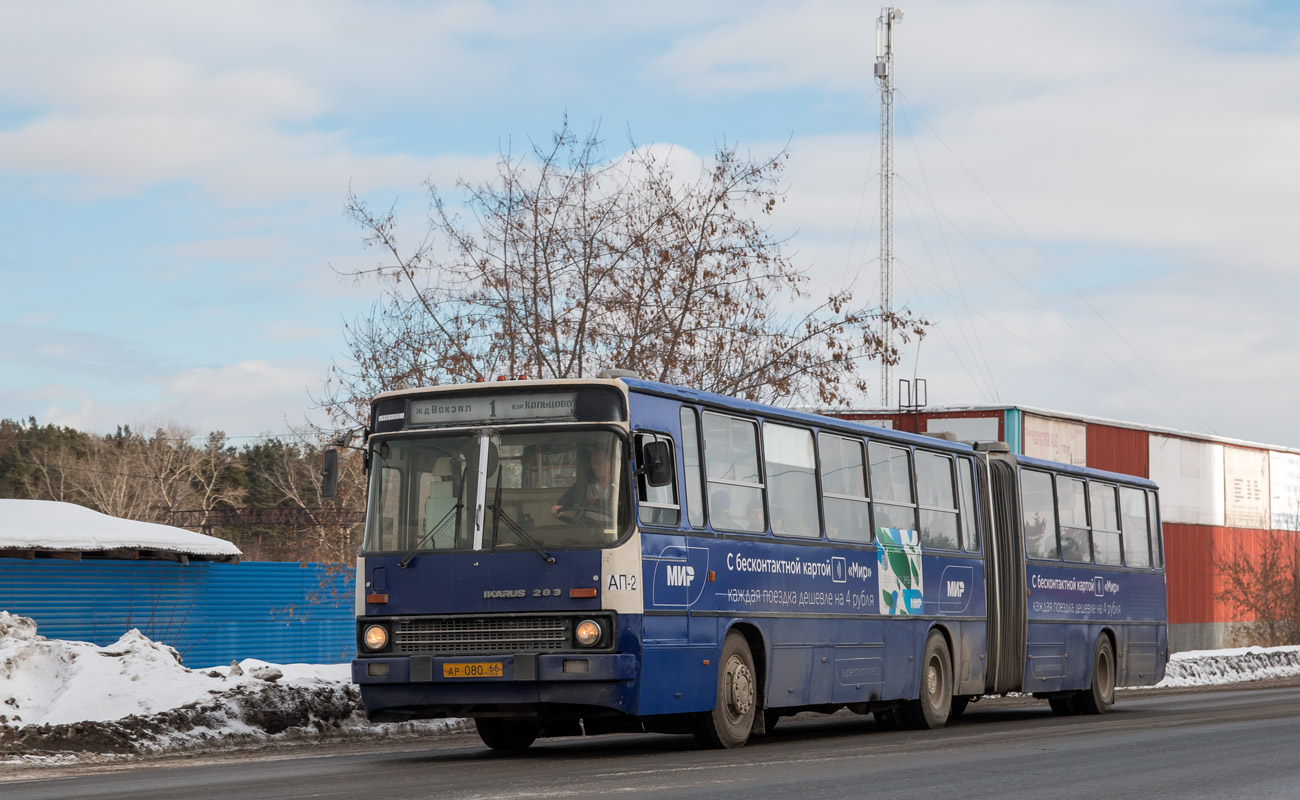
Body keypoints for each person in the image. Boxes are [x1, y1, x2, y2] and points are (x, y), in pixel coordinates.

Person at [552, 449, 617, 520]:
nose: (595, 467)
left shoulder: (619, 486)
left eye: (599, 462)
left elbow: (620, 509)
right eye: (593, 463)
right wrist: (560, 504)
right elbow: (573, 493)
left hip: (612, 528)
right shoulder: (589, 486)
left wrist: (595, 501)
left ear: (611, 463)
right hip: (587, 527)